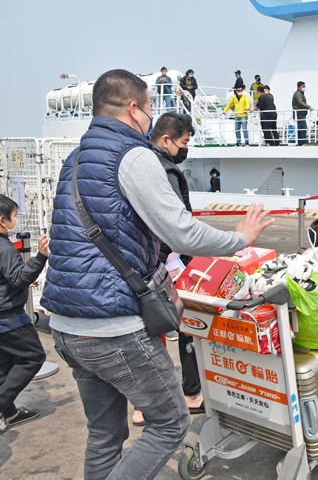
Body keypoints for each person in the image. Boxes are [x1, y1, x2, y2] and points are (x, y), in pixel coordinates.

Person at [40, 69, 274, 480]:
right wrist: (239, 237)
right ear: (134, 108)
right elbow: (179, 230)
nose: (150, 118)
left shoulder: (76, 158)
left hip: (65, 326)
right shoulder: (132, 156)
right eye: (149, 109)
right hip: (111, 326)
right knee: (170, 423)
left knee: (104, 434)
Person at [148, 113, 204, 418]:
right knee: (188, 326)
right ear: (166, 140)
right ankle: (192, 392)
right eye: (184, 142)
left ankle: (145, 407)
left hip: (148, 262)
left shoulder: (138, 164)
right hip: (167, 263)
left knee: (150, 333)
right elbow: (177, 226)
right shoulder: (166, 171)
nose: (186, 149)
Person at [0, 196, 49, 432]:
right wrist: (41, 256)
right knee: (32, 357)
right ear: (3, 220)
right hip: (8, 317)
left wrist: (16, 283)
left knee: (5, 365)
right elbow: (18, 276)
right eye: (14, 216)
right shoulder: (4, 247)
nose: (16, 220)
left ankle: (10, 413)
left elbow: (9, 278)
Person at [292, 81, 313, 146]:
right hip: (299, 113)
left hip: (300, 113)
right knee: (302, 128)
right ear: (299, 87)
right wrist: (308, 107)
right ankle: (302, 142)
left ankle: (300, 142)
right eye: (303, 86)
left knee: (301, 128)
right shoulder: (298, 94)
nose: (304, 88)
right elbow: (300, 102)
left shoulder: (300, 93)